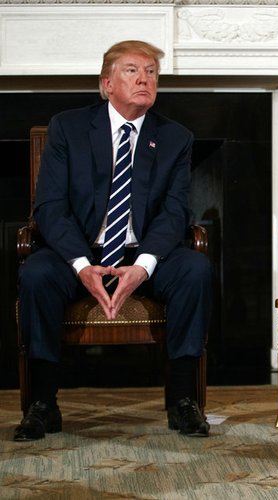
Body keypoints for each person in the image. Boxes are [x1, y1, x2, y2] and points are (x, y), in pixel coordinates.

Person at [15, 40, 213, 441]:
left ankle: (182, 401)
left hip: (142, 254)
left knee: (195, 268)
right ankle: (42, 403)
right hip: (79, 254)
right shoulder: (68, 128)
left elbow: (175, 213)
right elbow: (50, 208)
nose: (144, 79)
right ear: (107, 83)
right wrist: (81, 266)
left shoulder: (174, 137)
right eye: (132, 70)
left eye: (151, 72)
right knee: (35, 273)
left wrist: (143, 268)